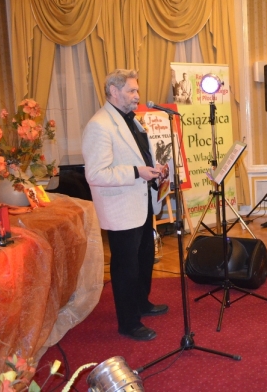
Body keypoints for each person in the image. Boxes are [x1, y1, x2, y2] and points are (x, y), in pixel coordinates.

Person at [82, 69, 166, 341]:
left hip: (141, 202)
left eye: (137, 90)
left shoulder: (132, 120)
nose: (137, 95)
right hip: (121, 207)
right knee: (126, 267)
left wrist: (155, 169)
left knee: (144, 258)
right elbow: (96, 174)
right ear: (114, 91)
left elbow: (140, 156)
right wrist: (136, 172)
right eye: (131, 90)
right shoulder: (99, 125)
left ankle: (142, 303)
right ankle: (128, 323)